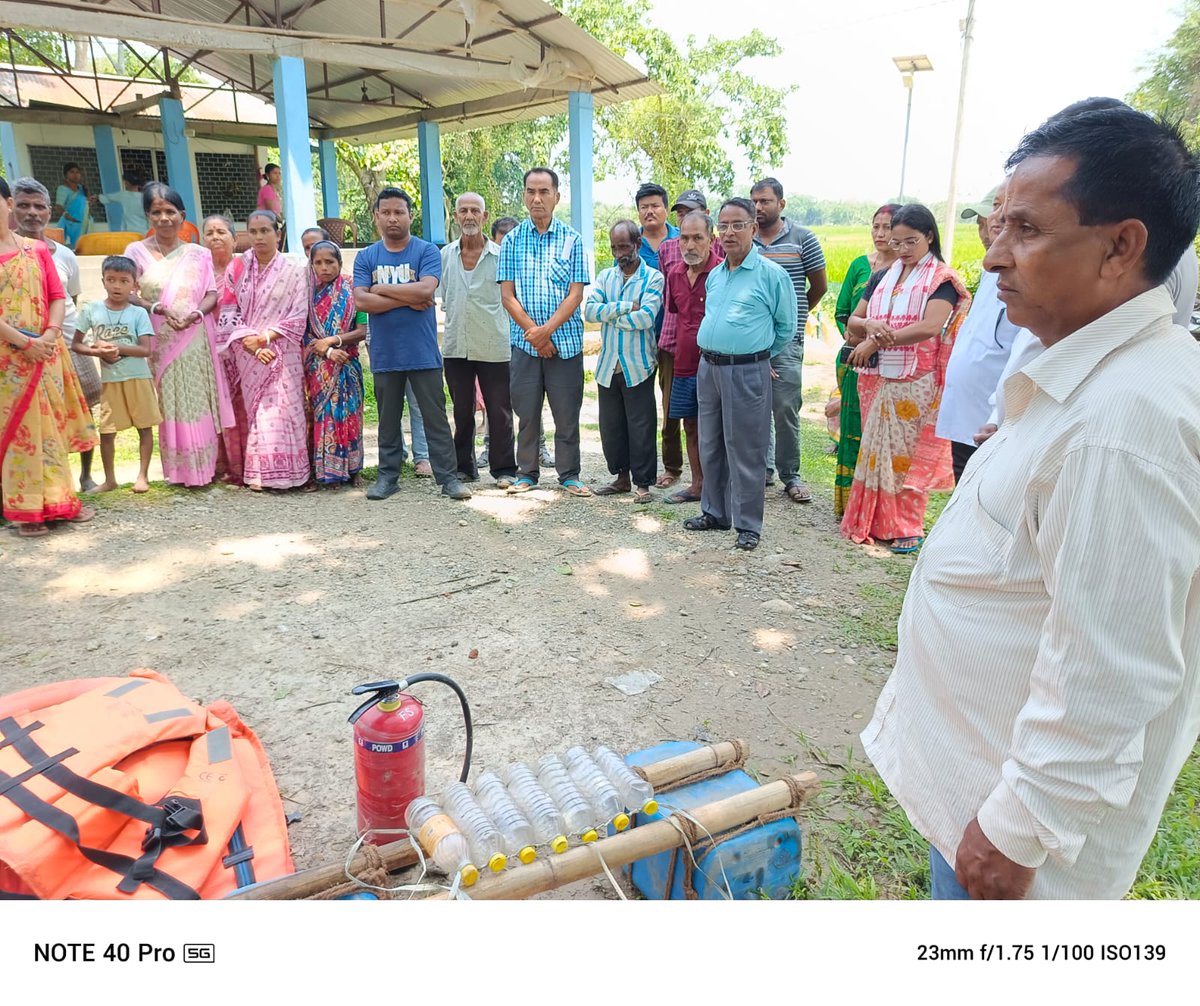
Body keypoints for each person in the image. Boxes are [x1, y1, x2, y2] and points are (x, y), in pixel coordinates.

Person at [863, 104, 1200, 901]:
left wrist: (1016, 829)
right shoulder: (1085, 372)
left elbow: (1111, 673)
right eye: (997, 226)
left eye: (1027, 230)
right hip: (980, 783)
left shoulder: (1124, 424)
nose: (994, 259)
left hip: (1012, 844)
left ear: (1121, 246)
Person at [840, 204, 971, 553]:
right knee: (875, 452)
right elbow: (854, 319)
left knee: (905, 459)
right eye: (896, 243)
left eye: (910, 241)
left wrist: (876, 340)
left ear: (929, 236)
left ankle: (906, 526)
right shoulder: (882, 275)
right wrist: (868, 327)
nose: (902, 250)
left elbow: (930, 326)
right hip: (878, 378)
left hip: (916, 381)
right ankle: (873, 521)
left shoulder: (941, 279)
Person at [684, 198, 796, 551]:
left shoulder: (772, 275)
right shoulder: (716, 274)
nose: (729, 232)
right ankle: (715, 512)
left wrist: (758, 356)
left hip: (746, 370)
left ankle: (748, 525)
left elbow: (785, 328)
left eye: (737, 225)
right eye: (724, 226)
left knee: (746, 448)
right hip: (709, 369)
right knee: (711, 443)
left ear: (752, 228)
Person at [353, 187, 470, 502]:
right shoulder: (366, 256)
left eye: (399, 212)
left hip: (422, 352)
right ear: (376, 216)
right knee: (387, 419)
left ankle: (448, 479)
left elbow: (426, 291)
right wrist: (406, 295)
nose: (393, 218)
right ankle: (387, 477)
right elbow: (362, 301)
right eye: (386, 212)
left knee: (435, 418)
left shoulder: (426, 251)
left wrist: (382, 289)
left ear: (410, 215)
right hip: (385, 352)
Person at [0, 175, 97, 536]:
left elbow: (58, 296)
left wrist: (49, 336)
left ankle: (59, 503)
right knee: (20, 431)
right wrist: (25, 343)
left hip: (46, 352)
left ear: (7, 202)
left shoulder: (37, 250)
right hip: (8, 361)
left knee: (49, 430)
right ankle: (26, 511)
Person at [125, 182, 233, 487]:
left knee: (197, 398)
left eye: (170, 211)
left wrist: (197, 313)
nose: (164, 218)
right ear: (147, 215)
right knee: (170, 400)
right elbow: (129, 293)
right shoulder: (135, 251)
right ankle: (180, 470)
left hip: (195, 336)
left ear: (182, 215)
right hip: (160, 337)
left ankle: (205, 468)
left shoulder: (198, 254)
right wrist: (159, 309)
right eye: (156, 212)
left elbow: (212, 293)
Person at [498, 167, 591, 497]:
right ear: (524, 196)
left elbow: (575, 294)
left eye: (544, 192)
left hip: (564, 344)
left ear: (556, 197)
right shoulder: (511, 241)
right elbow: (507, 296)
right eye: (530, 192)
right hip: (524, 346)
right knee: (526, 412)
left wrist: (547, 332)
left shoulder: (573, 240)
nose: (537, 198)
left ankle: (569, 474)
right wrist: (534, 334)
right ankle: (527, 473)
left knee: (567, 413)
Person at [935, 182, 1022, 483]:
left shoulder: (1027, 275)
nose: (991, 222)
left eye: (1001, 210)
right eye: (985, 216)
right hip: (966, 415)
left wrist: (999, 416)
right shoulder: (989, 271)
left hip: (993, 421)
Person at [751, 177, 827, 502]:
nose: (759, 207)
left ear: (781, 204)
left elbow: (819, 286)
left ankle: (791, 475)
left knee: (784, 407)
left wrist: (793, 317)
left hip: (787, 341)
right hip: (751, 342)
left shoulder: (802, 239)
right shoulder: (746, 240)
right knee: (755, 407)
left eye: (765, 201)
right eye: (754, 201)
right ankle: (761, 469)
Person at [229, 209, 311, 492]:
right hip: (248, 350)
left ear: (278, 234)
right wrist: (250, 342)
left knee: (282, 411)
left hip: (282, 349)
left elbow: (299, 314)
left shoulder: (294, 270)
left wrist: (265, 337)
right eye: (253, 231)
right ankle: (261, 474)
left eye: (265, 231)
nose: (259, 237)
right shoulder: (238, 267)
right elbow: (230, 312)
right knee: (259, 415)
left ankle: (291, 474)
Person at [440, 193, 517, 487]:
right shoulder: (446, 254)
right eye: (463, 211)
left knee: (499, 410)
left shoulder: (500, 255)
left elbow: (509, 298)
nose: (469, 216)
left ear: (485, 217)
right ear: (457, 217)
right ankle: (464, 467)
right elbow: (446, 296)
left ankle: (504, 470)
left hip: (493, 343)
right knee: (462, 410)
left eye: (475, 211)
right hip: (456, 343)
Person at [584, 220, 663, 501]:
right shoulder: (606, 277)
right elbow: (589, 312)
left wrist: (610, 314)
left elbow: (646, 319)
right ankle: (621, 478)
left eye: (625, 247)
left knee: (640, 426)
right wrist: (627, 306)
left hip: (638, 365)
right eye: (615, 248)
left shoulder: (653, 278)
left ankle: (643, 485)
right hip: (608, 365)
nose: (620, 254)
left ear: (638, 244)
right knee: (612, 426)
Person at [71, 255, 161, 493]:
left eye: (123, 281)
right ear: (103, 281)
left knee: (144, 427)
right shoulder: (92, 310)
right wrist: (97, 351)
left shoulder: (138, 314)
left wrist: (116, 348)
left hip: (138, 378)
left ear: (134, 285)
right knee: (107, 431)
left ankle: (142, 476)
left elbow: (146, 349)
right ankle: (110, 480)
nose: (117, 286)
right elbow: (76, 345)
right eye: (111, 280)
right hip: (110, 380)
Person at [653, 189, 724, 489]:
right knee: (690, 424)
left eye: (697, 238)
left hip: (716, 363)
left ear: (711, 239)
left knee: (717, 427)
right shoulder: (674, 274)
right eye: (684, 238)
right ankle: (697, 484)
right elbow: (675, 314)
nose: (690, 245)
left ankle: (720, 486)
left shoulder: (723, 272)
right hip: (683, 362)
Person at [832, 203, 900, 516]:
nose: (880, 233)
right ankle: (850, 506)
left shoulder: (912, 271)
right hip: (854, 360)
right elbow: (843, 313)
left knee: (885, 436)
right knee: (853, 431)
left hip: (894, 364)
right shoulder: (862, 266)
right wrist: (859, 339)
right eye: (876, 226)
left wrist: (878, 342)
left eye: (887, 227)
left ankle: (878, 509)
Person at [481, 215, 550, 471]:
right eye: (501, 242)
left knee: (529, 400)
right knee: (496, 399)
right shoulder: (487, 263)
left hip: (524, 340)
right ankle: (489, 447)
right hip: (496, 340)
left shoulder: (525, 262)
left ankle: (539, 448)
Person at [306, 240, 367, 487]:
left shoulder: (353, 289)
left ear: (340, 263)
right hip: (320, 367)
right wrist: (329, 351)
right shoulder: (307, 295)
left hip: (348, 366)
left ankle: (354, 470)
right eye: (318, 263)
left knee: (351, 416)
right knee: (323, 417)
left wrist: (336, 340)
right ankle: (326, 472)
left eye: (330, 262)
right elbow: (305, 333)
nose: (324, 267)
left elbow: (363, 329)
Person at [203, 213, 248, 484]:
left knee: (242, 408)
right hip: (208, 353)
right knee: (214, 408)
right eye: (210, 233)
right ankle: (219, 465)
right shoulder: (198, 274)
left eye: (222, 232)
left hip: (242, 352)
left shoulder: (244, 269)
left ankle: (246, 465)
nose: (216, 237)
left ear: (234, 238)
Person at [52, 163, 89, 249]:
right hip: (70, 222)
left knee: (83, 247)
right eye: (72, 172)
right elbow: (58, 206)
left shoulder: (82, 189)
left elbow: (85, 204)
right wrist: (67, 215)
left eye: (77, 172)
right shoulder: (63, 189)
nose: (75, 175)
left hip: (83, 222)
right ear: (66, 174)